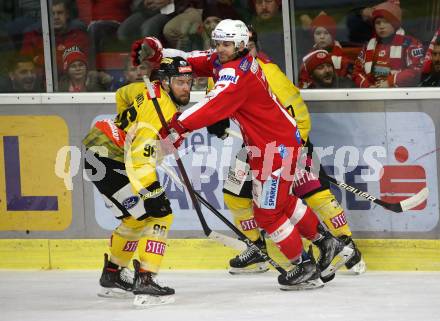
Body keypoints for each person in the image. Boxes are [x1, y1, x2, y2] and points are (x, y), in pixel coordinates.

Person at [132, 20, 355, 290]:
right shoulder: (228, 60)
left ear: (239, 44)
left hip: (276, 148)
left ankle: (303, 265)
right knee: (282, 203)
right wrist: (157, 54)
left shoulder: (235, 75)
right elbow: (191, 60)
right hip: (270, 144)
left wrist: (177, 127)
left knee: (268, 215)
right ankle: (326, 242)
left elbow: (211, 105)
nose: (220, 49)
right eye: (218, 43)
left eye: (226, 44)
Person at [207, 28, 363, 276]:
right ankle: (257, 249)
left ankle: (347, 246)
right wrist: (217, 121)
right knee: (234, 194)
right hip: (253, 145)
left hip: (289, 143)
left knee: (313, 194)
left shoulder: (268, 72)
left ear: (249, 47)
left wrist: (297, 146)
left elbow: (298, 111)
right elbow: (216, 102)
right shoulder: (221, 69)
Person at [82, 55, 193, 306]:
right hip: (111, 160)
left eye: (189, 81)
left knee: (135, 218)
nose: (186, 87)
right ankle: (145, 280)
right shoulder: (160, 109)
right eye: (180, 82)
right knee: (160, 214)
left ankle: (112, 276)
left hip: (100, 152)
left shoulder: (148, 88)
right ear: (165, 82)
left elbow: (122, 94)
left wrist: (126, 126)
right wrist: (152, 194)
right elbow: (139, 160)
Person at [352, 1, 425, 88]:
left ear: (395, 24)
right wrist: (368, 87)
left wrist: (390, 82)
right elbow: (356, 72)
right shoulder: (368, 46)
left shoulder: (411, 44)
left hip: (402, 95)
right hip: (373, 93)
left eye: (386, 22)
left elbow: (416, 70)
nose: (381, 26)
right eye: (378, 22)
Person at [20, 0, 89, 76]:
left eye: (60, 13)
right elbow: (25, 65)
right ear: (45, 16)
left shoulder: (79, 35)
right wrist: (65, 60)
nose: (56, 17)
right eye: (52, 14)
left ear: (67, 14)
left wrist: (40, 59)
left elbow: (83, 65)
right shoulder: (33, 36)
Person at [298, 13, 352, 89]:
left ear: (332, 35)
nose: (322, 37)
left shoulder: (343, 59)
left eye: (326, 33)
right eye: (318, 33)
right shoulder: (307, 60)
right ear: (313, 36)